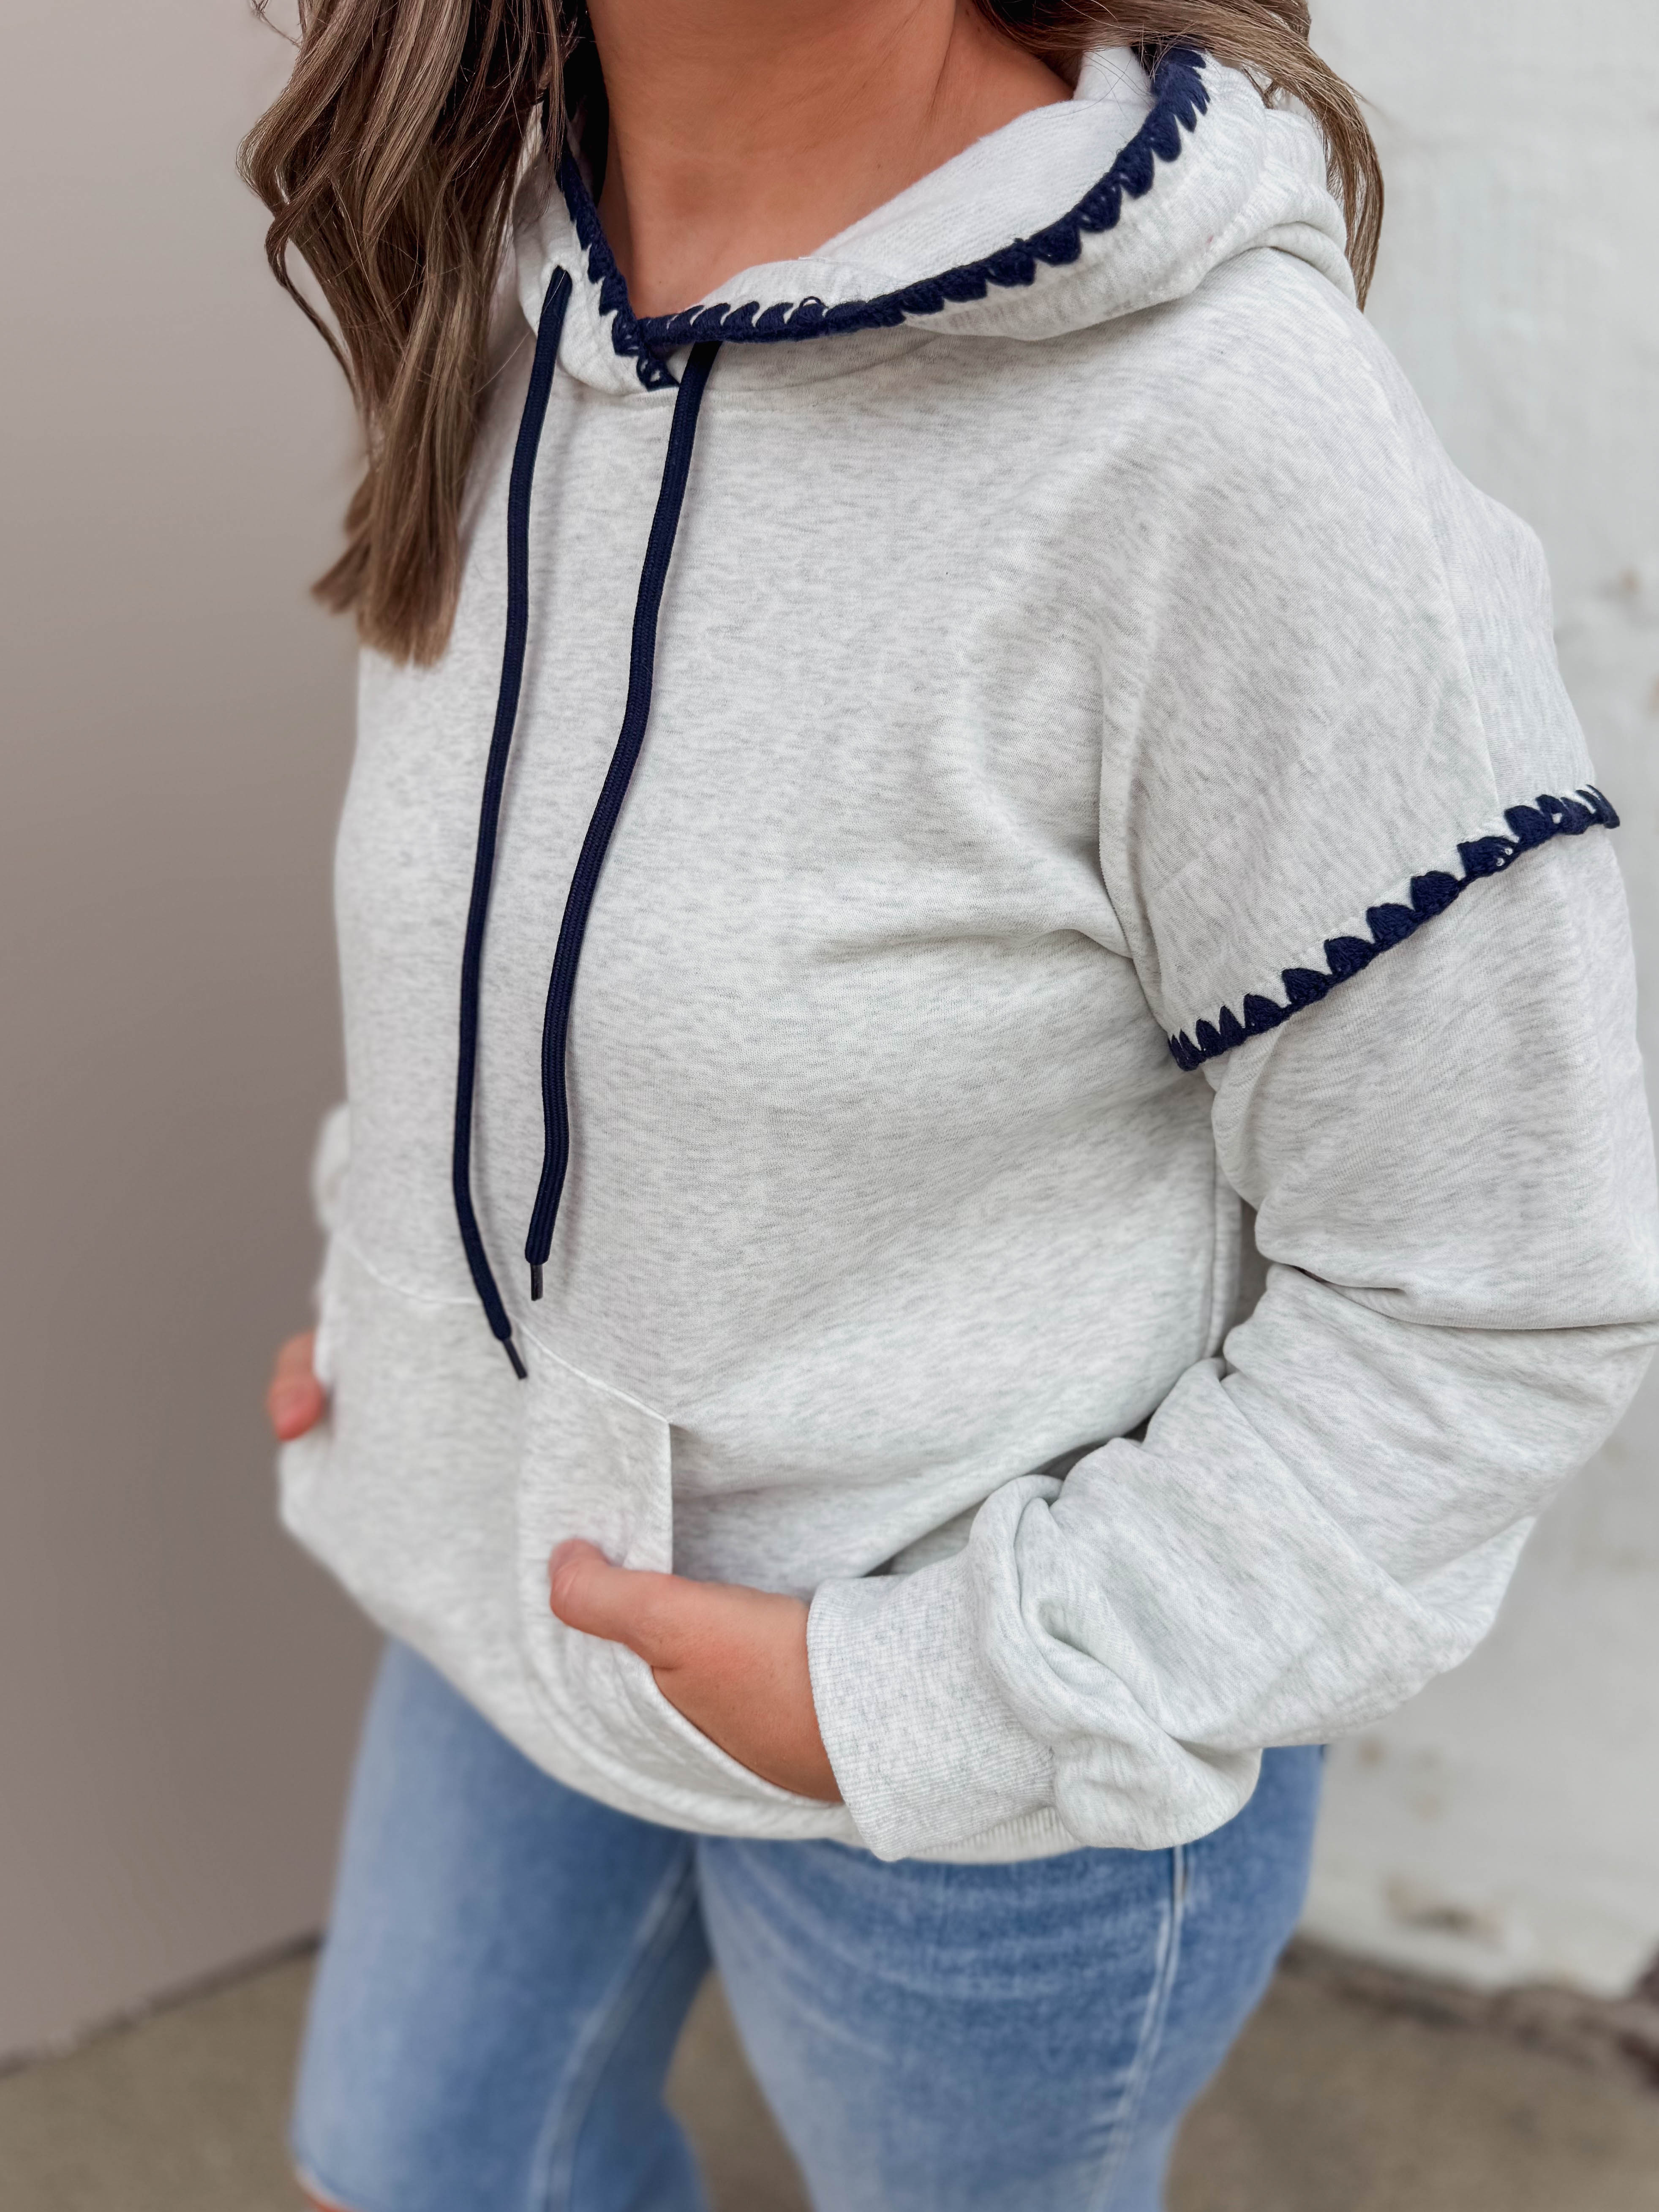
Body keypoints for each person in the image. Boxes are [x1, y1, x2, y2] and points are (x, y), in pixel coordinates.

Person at [246, 1, 1659, 2206]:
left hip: (991, 1742)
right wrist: (407, 1305)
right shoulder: (502, 284)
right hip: (512, 1573)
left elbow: (1506, 1293)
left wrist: (923, 1694)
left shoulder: (1231, 439)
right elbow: (499, 931)